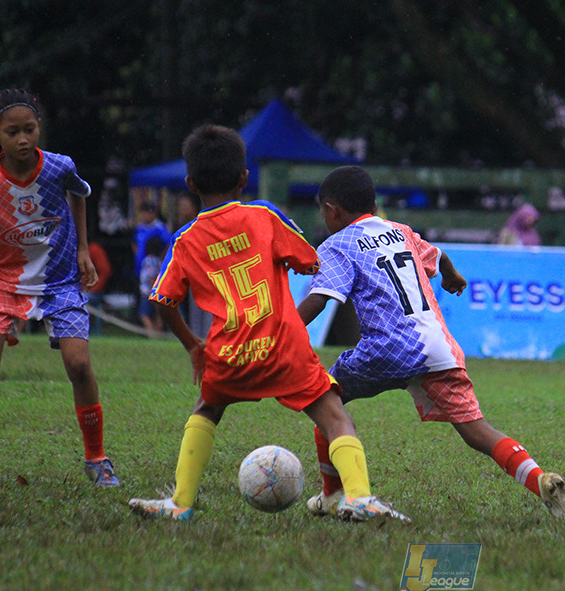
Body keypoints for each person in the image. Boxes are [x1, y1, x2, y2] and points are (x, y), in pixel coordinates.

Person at [127, 125, 407, 522]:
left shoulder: (185, 240)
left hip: (229, 350)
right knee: (334, 415)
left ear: (190, 183)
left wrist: (194, 345)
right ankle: (359, 497)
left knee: (206, 408)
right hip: (284, 345)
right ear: (244, 177)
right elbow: (310, 260)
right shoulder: (264, 216)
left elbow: (163, 301)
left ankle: (181, 503)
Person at [296, 166, 565, 521]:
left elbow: (320, 300)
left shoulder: (337, 244)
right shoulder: (399, 232)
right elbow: (438, 255)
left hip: (387, 347)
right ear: (373, 204)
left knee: (327, 404)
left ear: (331, 210)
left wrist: (281, 332)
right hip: (438, 348)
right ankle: (541, 481)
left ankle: (336, 495)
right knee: (478, 432)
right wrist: (451, 274)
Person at [0, 88, 119, 488]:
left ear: (40, 127)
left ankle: (97, 458)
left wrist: (82, 248)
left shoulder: (59, 168)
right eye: (12, 132)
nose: (23, 138)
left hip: (60, 282)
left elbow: (79, 194)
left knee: (78, 363)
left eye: (30, 129)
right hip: (7, 283)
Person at [131, 200, 169, 286]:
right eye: (142, 213)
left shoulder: (160, 228)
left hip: (154, 268)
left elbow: (168, 244)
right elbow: (134, 242)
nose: (144, 215)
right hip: (140, 267)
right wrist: (137, 253)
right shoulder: (139, 228)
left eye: (147, 212)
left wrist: (160, 259)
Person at [137, 234, 165, 334]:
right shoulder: (159, 261)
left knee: (144, 314)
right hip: (158, 292)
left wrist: (153, 291)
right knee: (156, 314)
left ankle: (152, 333)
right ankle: (157, 333)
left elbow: (151, 276)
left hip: (148, 292)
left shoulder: (149, 260)